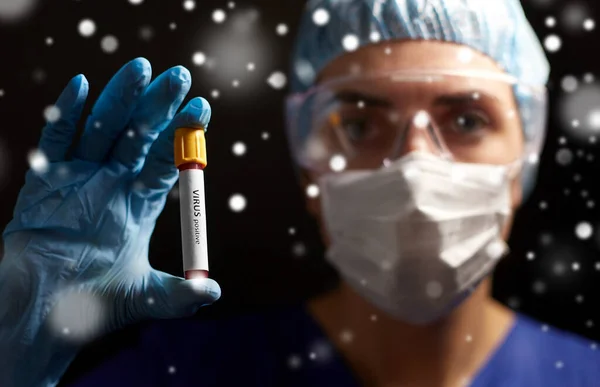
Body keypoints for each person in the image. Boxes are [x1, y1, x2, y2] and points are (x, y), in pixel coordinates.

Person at [1, 0, 599, 386]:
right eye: (361, 124)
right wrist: (16, 364)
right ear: (309, 170)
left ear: (526, 153)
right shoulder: (177, 377)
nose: (416, 167)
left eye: (467, 120)